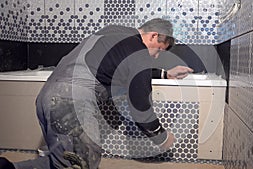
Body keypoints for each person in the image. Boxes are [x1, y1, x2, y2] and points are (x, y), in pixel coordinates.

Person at [0, 18, 193, 169]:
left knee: (62, 163)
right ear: (153, 36)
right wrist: (161, 137)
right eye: (159, 50)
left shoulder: (111, 33)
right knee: (83, 164)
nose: (156, 56)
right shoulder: (138, 50)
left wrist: (165, 74)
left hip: (47, 100)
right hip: (71, 106)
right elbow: (140, 107)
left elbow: (119, 69)